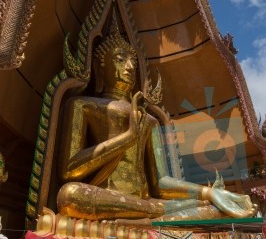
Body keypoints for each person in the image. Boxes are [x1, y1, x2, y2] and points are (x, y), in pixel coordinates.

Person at [56, 17, 257, 222]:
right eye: (120, 59)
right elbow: (69, 170)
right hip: (102, 197)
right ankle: (148, 218)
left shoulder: (149, 120)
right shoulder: (83, 105)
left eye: (132, 62)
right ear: (100, 68)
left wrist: (208, 193)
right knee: (70, 195)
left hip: (146, 201)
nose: (129, 68)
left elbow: (161, 183)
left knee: (214, 207)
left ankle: (145, 218)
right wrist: (128, 138)